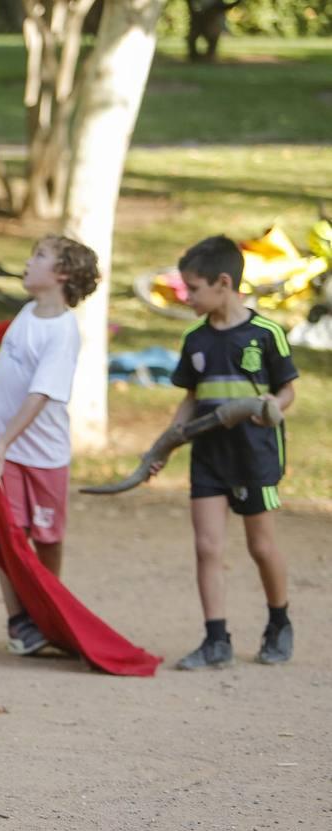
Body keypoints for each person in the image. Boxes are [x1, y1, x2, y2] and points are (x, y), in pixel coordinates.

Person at [152, 236, 298, 670]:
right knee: (207, 546)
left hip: (255, 456)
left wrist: (275, 406)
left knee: (261, 546)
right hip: (209, 458)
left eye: (193, 288)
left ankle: (279, 622)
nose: (187, 296)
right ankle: (216, 639)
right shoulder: (195, 340)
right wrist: (167, 442)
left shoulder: (266, 334)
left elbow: (287, 389)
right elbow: (190, 399)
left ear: (223, 282)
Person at [0, 235, 101, 656]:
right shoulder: (27, 313)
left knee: (48, 538)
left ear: (61, 274)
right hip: (0, 449)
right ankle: (20, 623)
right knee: (8, 536)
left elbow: (40, 394)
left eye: (39, 257)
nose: (28, 262)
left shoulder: (64, 333)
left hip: (40, 454)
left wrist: (7, 440)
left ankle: (50, 612)